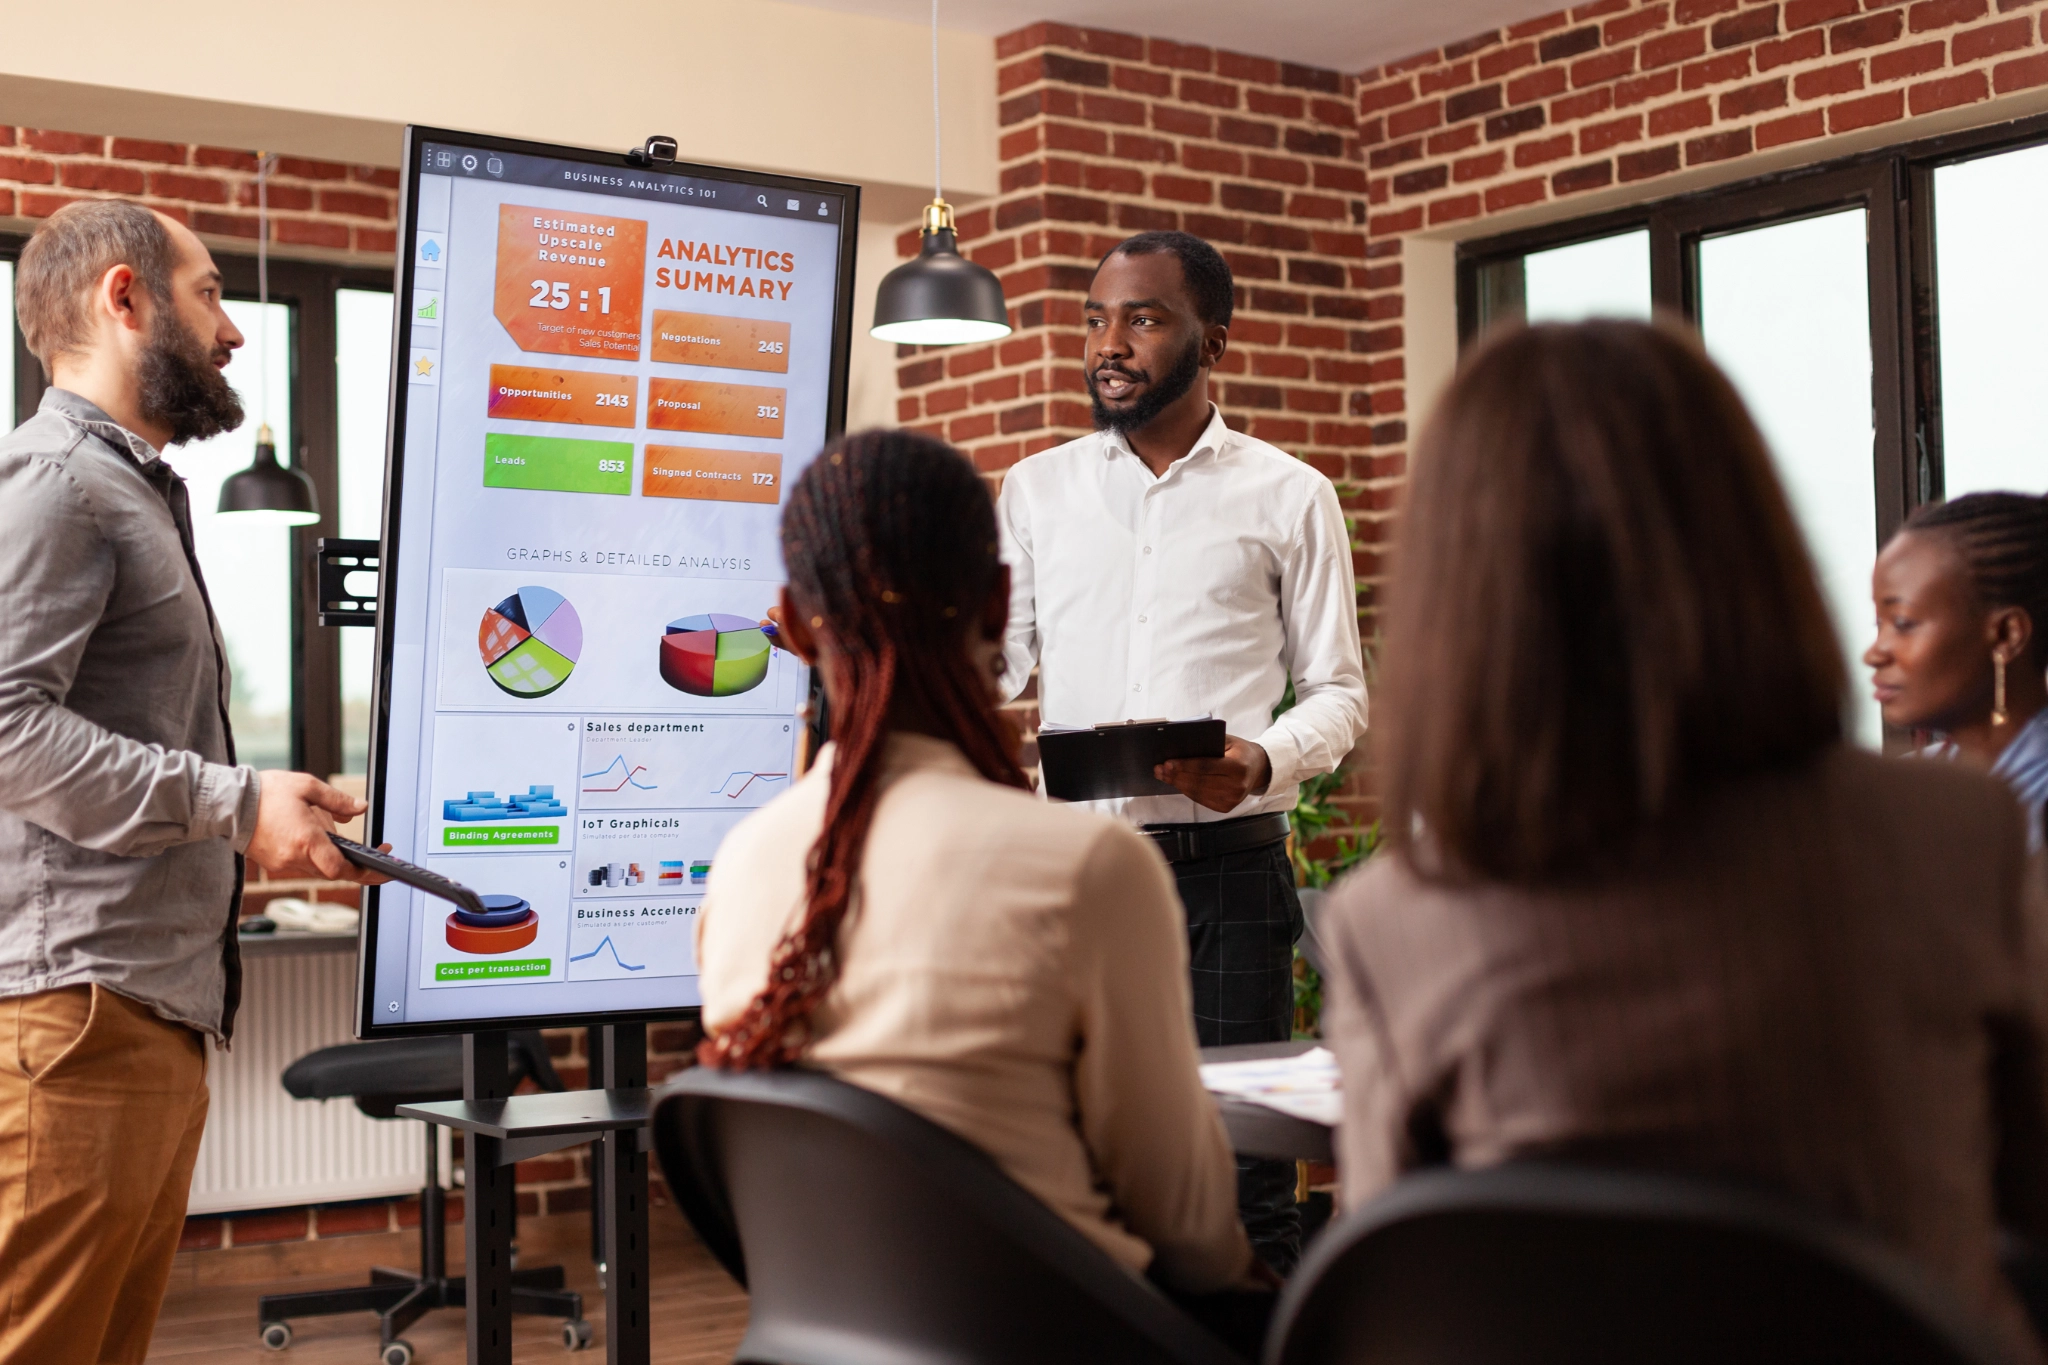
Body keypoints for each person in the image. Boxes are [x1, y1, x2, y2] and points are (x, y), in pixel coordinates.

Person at [1318, 319, 2048, 1361]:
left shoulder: (1390, 921)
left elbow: (1401, 1292)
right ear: (1747, 541)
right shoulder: (1954, 835)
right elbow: (2027, 1197)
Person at [697, 430, 1271, 1342]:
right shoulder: (1089, 869)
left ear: (794, 625)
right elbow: (1194, 1233)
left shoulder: (742, 867)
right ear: (1002, 604)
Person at [0, 201, 383, 1365]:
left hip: (143, 1008)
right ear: (126, 299)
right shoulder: (60, 483)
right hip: (79, 1016)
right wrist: (234, 802)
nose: (234, 331)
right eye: (210, 292)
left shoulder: (135, 490)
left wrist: (266, 804)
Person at [995, 231, 1370, 1272]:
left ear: (1214, 340)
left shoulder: (1289, 495)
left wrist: (1258, 760)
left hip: (1229, 877)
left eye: (1142, 318)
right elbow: (994, 673)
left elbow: (1340, 692)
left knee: (1244, 1177)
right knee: (1080, 1164)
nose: (1107, 343)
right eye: (1094, 318)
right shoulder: (1033, 492)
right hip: (1077, 874)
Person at [1866, 493, 2048, 849]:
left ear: (2006, 634)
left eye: (1903, 624)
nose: (1874, 654)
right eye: (1878, 625)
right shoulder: (1904, 790)